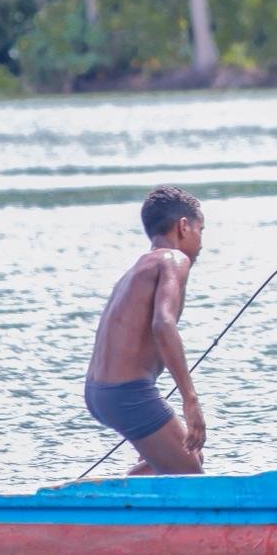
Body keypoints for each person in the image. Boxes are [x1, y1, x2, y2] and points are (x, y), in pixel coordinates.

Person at [85, 185, 206, 475]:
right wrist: (190, 400)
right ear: (183, 226)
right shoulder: (173, 260)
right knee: (191, 478)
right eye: (201, 230)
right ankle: (96, 500)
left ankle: (108, 494)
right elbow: (163, 325)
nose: (202, 243)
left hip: (98, 393)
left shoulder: (139, 267)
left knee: (189, 455)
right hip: (127, 394)